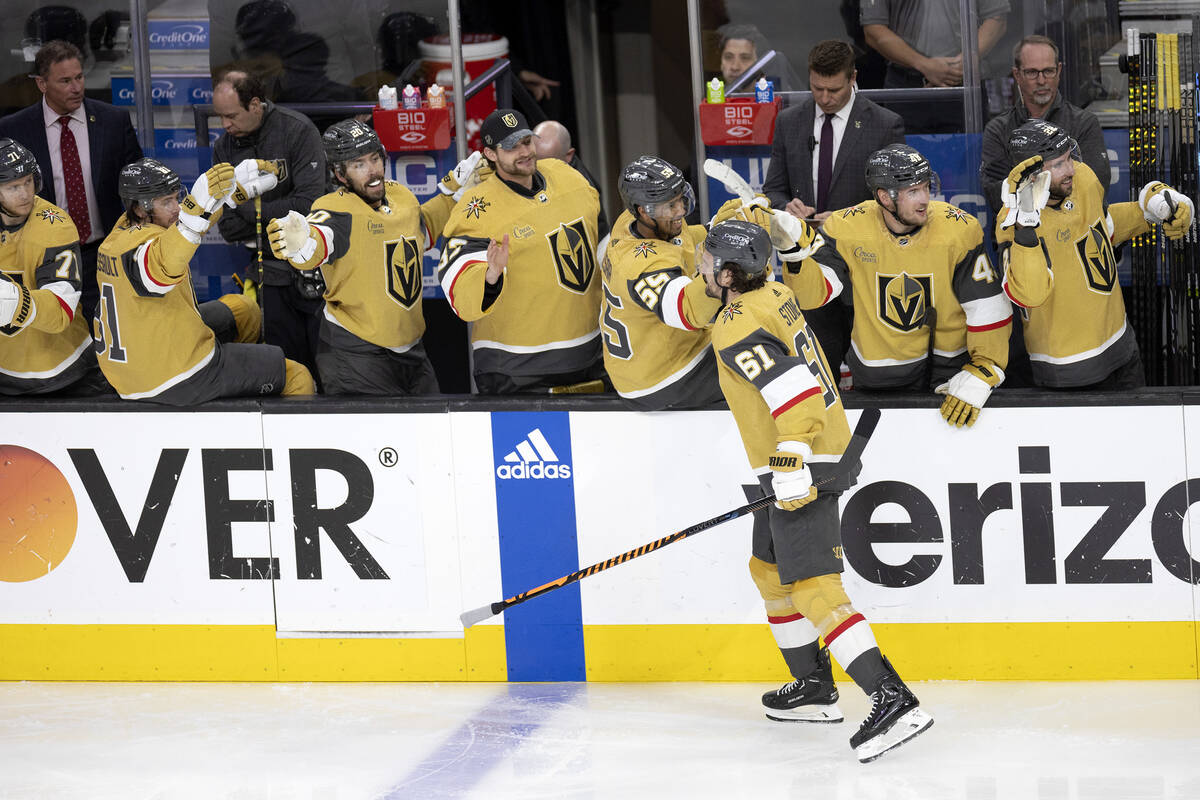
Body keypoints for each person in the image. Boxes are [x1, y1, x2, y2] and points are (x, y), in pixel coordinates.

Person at [699, 219, 933, 763]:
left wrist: (791, 459)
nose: (702, 268)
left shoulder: (734, 323)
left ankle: (891, 698)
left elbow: (797, 390)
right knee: (769, 570)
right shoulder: (774, 291)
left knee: (812, 587)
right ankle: (812, 688)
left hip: (804, 459)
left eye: (710, 261)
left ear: (730, 275)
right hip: (811, 451)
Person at [783, 144, 1012, 428]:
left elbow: (987, 306)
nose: (925, 199)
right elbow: (815, 295)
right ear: (885, 197)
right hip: (875, 380)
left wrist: (985, 367)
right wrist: (794, 257)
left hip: (947, 382)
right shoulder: (846, 229)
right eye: (913, 192)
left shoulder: (958, 230)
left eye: (927, 188)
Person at [266, 119, 478, 395]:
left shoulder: (400, 195)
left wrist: (454, 195)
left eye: (375, 158)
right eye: (359, 165)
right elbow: (317, 242)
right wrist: (301, 245)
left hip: (412, 351)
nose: (373, 171)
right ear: (340, 174)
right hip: (356, 358)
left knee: (432, 436)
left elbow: (420, 229)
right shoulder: (334, 210)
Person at [94, 157, 314, 403]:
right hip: (174, 375)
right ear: (139, 207)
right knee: (297, 376)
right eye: (167, 202)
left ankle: (235, 388)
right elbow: (164, 264)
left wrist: (230, 194)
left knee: (243, 309)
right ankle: (231, 400)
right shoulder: (147, 249)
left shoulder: (119, 233)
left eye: (178, 198)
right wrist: (195, 209)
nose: (177, 207)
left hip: (132, 363)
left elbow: (186, 228)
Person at [994, 120, 1194, 389]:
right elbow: (1029, 294)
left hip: (1122, 349)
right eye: (1058, 164)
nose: (1071, 170)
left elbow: (1101, 230)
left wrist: (1150, 210)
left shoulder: (1083, 178)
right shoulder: (1010, 224)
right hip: (1068, 370)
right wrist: (1026, 227)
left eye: (1069, 159)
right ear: (1031, 176)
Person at [438, 108, 606, 394]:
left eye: (526, 142)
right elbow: (457, 285)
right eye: (511, 147)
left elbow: (600, 239)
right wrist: (490, 275)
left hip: (589, 354)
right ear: (490, 154)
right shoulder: (476, 207)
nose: (524, 152)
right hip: (517, 368)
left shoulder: (569, 177)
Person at [763, 39, 905, 369]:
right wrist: (787, 209)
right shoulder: (788, 122)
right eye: (817, 88)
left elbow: (895, 196)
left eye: (834, 90)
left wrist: (846, 218)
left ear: (853, 77)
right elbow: (773, 189)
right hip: (808, 261)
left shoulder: (885, 124)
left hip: (865, 265)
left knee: (866, 367)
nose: (825, 98)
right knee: (819, 363)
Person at [0, 40, 143, 322]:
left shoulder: (113, 120)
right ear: (42, 84)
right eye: (65, 81)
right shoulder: (14, 129)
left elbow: (136, 183)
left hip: (106, 252)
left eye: (79, 77)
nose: (76, 87)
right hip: (45, 258)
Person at [212, 69, 327, 386]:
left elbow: (312, 203)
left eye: (231, 116)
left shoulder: (297, 130)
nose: (225, 125)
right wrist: (277, 215)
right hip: (268, 277)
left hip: (315, 270)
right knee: (286, 370)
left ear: (255, 104)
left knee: (326, 367)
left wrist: (247, 207)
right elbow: (228, 227)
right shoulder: (223, 148)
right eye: (220, 117)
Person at [599, 156, 722, 410]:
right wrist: (725, 266)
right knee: (758, 361)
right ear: (643, 211)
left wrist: (721, 228)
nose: (680, 210)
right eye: (670, 205)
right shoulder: (641, 265)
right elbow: (689, 312)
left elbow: (683, 242)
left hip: (660, 352)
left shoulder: (633, 220)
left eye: (680, 198)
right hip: (659, 378)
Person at [0, 138, 107, 396]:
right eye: (13, 187)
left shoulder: (54, 225)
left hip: (63, 371)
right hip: (5, 371)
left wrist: (12, 301)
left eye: (28, 181)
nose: (25, 193)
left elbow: (61, 310)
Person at [980, 35, 1111, 214]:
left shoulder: (1084, 123)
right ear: (1017, 75)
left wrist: (1028, 181)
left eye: (1048, 71)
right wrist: (1058, 181)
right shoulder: (998, 129)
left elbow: (1095, 188)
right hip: (1018, 236)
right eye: (1032, 72)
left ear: (1058, 70)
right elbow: (997, 196)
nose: (1041, 80)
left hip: (1073, 233)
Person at [861, 0, 1009, 89]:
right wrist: (924, 65)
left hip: (964, 81)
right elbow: (873, 30)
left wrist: (965, 60)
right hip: (907, 84)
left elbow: (997, 19)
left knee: (971, 141)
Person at [532, 119, 608, 234]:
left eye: (548, 163)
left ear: (569, 155)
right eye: (534, 161)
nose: (540, 169)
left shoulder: (584, 189)